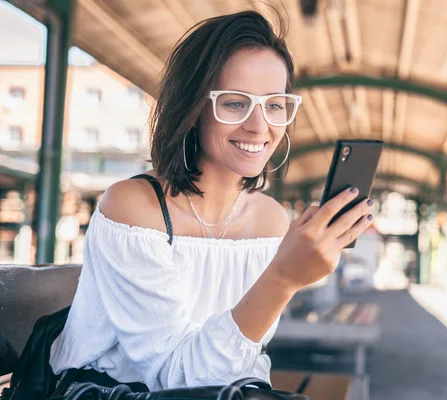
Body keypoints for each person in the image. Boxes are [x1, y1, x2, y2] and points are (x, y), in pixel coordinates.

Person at [49, 9, 374, 392]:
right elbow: (175, 380)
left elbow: (244, 357)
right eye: (235, 103)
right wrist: (283, 278)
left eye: (274, 105)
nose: (259, 126)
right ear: (193, 107)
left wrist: (306, 264)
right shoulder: (133, 208)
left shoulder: (269, 218)